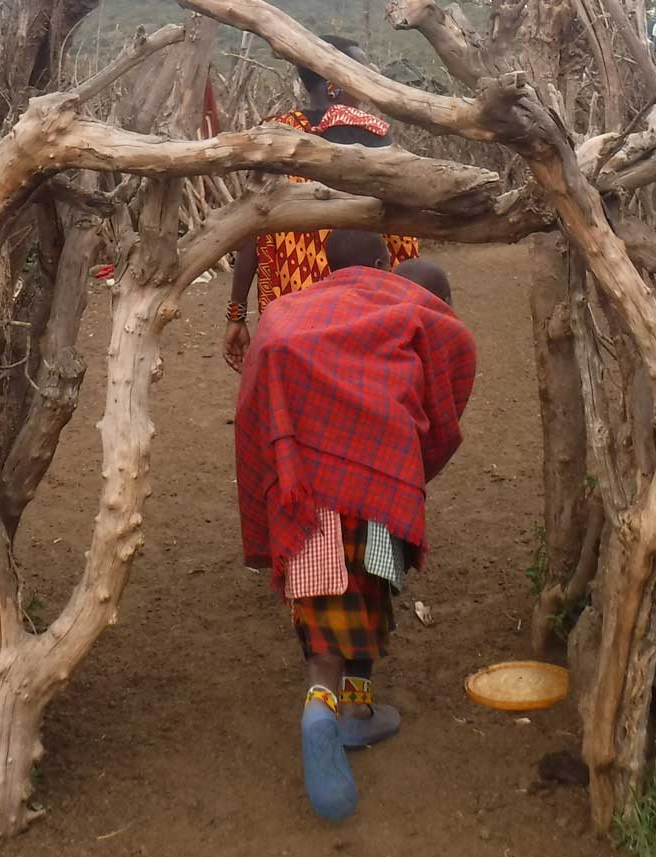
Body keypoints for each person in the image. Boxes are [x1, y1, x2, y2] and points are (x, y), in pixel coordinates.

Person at [235, 229, 475, 820]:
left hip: (307, 499)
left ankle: (322, 705)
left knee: (321, 613)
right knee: (376, 590)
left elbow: (254, 404)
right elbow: (453, 366)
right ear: (379, 263)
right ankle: (358, 714)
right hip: (384, 497)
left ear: (326, 263)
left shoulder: (293, 314)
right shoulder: (404, 308)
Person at [222, 35, 420, 372]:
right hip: (366, 314)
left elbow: (252, 231)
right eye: (361, 69)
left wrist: (237, 314)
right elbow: (402, 237)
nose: (370, 76)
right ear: (334, 82)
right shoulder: (373, 135)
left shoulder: (275, 137)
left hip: (293, 319)